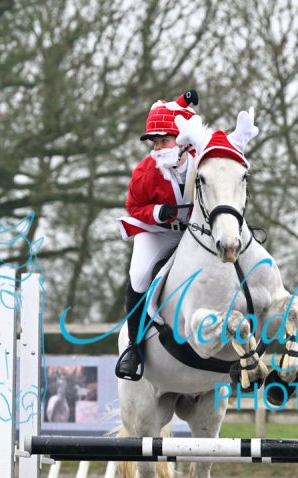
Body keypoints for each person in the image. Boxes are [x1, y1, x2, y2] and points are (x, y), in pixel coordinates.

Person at [114, 89, 199, 381]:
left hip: (195, 233)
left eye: (165, 140)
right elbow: (133, 206)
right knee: (138, 275)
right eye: (155, 141)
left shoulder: (202, 162)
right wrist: (157, 212)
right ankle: (134, 348)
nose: (159, 147)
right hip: (158, 232)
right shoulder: (146, 171)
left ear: (182, 140)